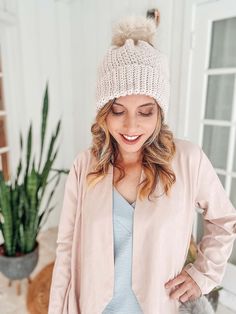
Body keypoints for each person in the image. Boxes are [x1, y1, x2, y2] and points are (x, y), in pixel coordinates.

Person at [48, 15, 236, 314]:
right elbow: (66, 250)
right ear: (103, 114)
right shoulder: (85, 166)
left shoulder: (188, 160)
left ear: (159, 114)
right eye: (118, 111)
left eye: (145, 112)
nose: (131, 126)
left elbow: (224, 220)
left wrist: (203, 274)